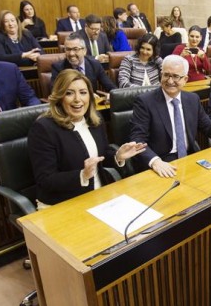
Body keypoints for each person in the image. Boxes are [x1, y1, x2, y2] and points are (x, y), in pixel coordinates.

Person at [28, 70, 146, 207]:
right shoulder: (43, 128)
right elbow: (45, 180)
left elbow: (102, 155)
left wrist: (118, 156)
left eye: (83, 92)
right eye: (69, 93)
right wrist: (82, 175)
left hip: (97, 194)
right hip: (62, 203)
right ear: (59, 97)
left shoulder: (95, 120)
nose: (77, 99)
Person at [129, 55, 211, 177]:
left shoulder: (192, 99)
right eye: (166, 75)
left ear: (185, 79)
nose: (170, 81)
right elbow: (138, 139)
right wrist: (155, 161)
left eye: (176, 76)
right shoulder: (145, 102)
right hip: (162, 161)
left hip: (190, 158)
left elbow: (207, 126)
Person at [51, 33, 117, 92]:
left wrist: (111, 95)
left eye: (75, 49)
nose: (71, 53)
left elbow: (111, 87)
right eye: (68, 49)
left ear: (84, 51)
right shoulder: (58, 68)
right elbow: (55, 93)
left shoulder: (94, 64)